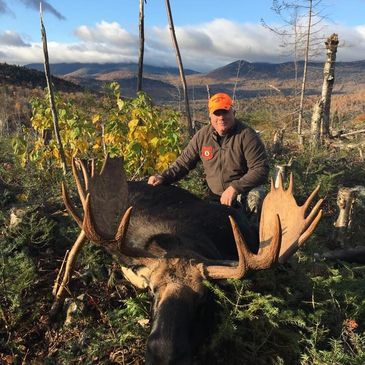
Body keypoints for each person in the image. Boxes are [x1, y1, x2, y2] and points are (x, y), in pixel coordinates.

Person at [148, 92, 269, 210]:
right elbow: (183, 163)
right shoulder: (202, 136)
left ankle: (254, 229)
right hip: (214, 196)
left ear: (233, 113)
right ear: (210, 116)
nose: (221, 117)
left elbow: (260, 169)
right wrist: (163, 177)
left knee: (255, 199)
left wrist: (235, 188)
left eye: (225, 112)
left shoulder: (246, 135)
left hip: (242, 193)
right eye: (217, 113)